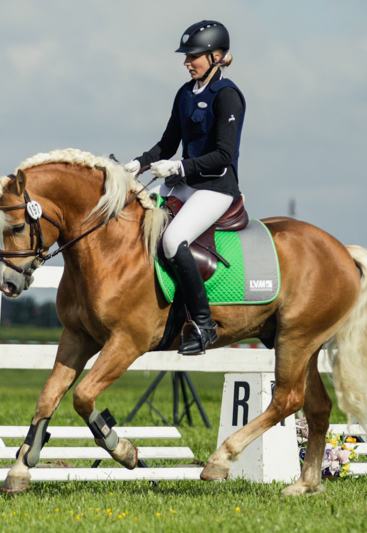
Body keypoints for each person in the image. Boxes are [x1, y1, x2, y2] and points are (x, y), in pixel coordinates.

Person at [123, 20, 245, 355]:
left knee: (173, 239)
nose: (187, 61)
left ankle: (204, 325)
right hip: (186, 185)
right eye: (187, 55)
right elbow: (167, 143)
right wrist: (139, 164)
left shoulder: (228, 96)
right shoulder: (184, 93)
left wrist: (178, 166)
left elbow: (222, 155)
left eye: (193, 55)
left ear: (216, 56)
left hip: (216, 188)